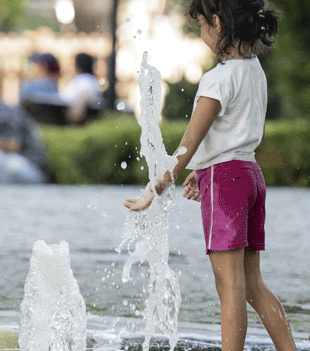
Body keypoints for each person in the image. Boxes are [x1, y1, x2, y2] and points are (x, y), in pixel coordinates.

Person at [123, 1, 297, 350]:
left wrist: (157, 185)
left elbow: (189, 141)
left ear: (217, 23)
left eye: (202, 24)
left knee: (229, 287)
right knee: (252, 285)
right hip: (250, 176)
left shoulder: (218, 78)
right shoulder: (254, 71)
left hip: (228, 180)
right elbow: (233, 135)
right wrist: (204, 173)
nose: (201, 32)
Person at [60, 53, 103, 125]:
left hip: (73, 124)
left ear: (78, 65)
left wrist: (73, 117)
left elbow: (85, 94)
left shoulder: (85, 79)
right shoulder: (86, 79)